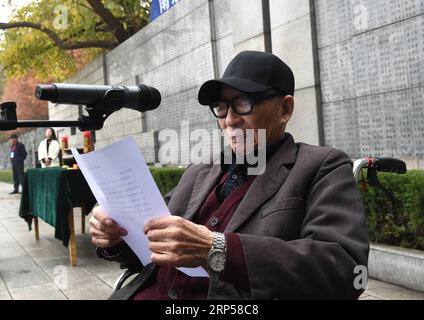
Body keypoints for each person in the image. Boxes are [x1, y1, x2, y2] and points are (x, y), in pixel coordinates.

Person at [90, 51, 369, 300]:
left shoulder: (320, 166)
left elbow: (344, 269)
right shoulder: (200, 170)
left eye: (244, 103)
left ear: (285, 109)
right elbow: (150, 249)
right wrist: (116, 237)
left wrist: (218, 247)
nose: (229, 120)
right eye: (221, 107)